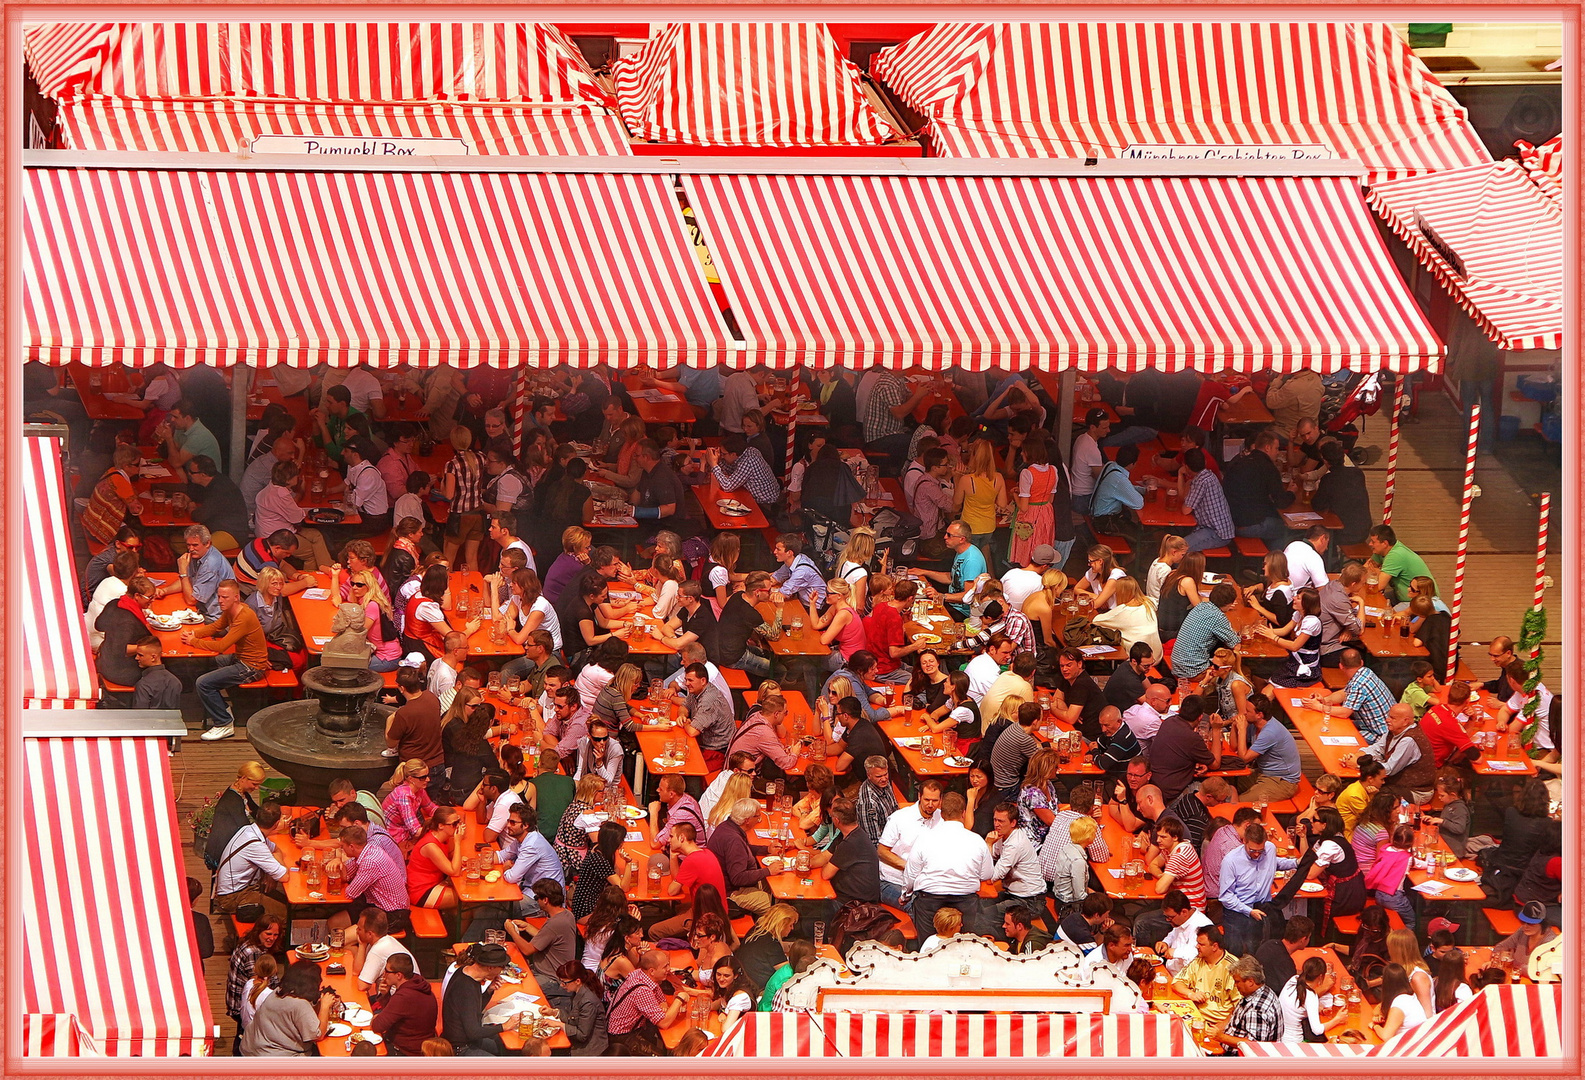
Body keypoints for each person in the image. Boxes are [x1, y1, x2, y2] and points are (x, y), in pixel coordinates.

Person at [182, 579, 267, 741]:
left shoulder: (244, 616)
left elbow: (221, 646)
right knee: (204, 665)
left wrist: (193, 642)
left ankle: (224, 723)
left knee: (203, 682)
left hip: (251, 666)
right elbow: (216, 627)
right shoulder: (230, 611)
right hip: (239, 659)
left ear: (236, 597)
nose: (220, 601)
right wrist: (194, 634)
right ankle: (221, 709)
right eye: (219, 596)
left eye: (225, 597)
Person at [903, 791, 993, 938]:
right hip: (965, 902)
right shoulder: (977, 841)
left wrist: (905, 895)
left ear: (942, 813)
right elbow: (986, 875)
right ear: (963, 813)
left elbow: (911, 874)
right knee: (962, 948)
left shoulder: (925, 838)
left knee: (928, 950)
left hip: (930, 902)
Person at [1218, 822, 1298, 956]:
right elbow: (1226, 896)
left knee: (1264, 951)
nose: (1256, 854)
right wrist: (1249, 911)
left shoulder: (1270, 849)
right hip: (1238, 910)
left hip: (1262, 907)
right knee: (1236, 953)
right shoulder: (1230, 861)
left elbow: (1274, 862)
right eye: (1252, 850)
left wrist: (1295, 863)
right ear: (1244, 841)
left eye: (1260, 851)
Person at [212, 800, 291, 931]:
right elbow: (284, 877)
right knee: (286, 913)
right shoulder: (256, 845)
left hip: (244, 887)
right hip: (232, 897)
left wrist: (272, 872)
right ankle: (279, 947)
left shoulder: (248, 830)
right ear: (277, 824)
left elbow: (276, 850)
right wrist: (278, 870)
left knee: (286, 902)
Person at [239, 959, 338, 1056]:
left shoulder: (278, 991)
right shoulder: (300, 1004)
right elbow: (317, 1035)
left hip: (252, 1048)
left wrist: (319, 1003)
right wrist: (325, 1006)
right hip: (273, 1056)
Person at [441, 942, 521, 1056]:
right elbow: (473, 1032)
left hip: (469, 1040)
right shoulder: (466, 988)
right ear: (490, 967)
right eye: (502, 967)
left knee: (508, 1048)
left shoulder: (467, 973)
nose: (502, 970)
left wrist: (489, 991)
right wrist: (504, 1026)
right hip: (460, 1048)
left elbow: (474, 1010)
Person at [1223, 429, 1294, 549]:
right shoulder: (1268, 468)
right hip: (1249, 525)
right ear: (1267, 448)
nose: (1278, 452)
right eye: (1276, 448)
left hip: (1229, 521)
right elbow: (1281, 502)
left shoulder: (1239, 461)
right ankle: (1275, 564)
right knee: (1286, 528)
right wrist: (1292, 493)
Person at [876, 781, 943, 907]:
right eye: (926, 799)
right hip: (893, 881)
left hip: (927, 882)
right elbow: (881, 851)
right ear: (919, 797)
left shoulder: (942, 818)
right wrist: (910, 868)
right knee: (919, 908)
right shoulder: (899, 818)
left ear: (940, 800)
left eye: (934, 801)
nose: (930, 804)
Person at [606, 949, 688, 1052]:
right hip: (621, 1036)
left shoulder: (641, 974)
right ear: (652, 971)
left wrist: (663, 1006)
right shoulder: (642, 990)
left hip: (635, 1028)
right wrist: (679, 999)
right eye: (665, 967)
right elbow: (664, 1023)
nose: (669, 969)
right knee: (662, 1057)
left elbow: (660, 997)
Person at [1306, 649, 1395, 743]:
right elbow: (1344, 693)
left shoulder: (1358, 684)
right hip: (1378, 727)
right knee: (1337, 724)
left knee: (1336, 734)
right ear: (1361, 662)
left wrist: (1317, 706)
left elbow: (1345, 713)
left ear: (1340, 666)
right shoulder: (1366, 672)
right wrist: (1323, 700)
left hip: (1380, 736)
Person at [706, 798, 775, 915]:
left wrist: (766, 849)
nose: (759, 820)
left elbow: (743, 850)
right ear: (747, 820)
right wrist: (768, 871)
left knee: (773, 886)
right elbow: (738, 878)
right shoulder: (734, 840)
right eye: (757, 816)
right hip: (732, 893)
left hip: (728, 886)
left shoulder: (727, 827)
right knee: (778, 907)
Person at [1229, 693, 1303, 802]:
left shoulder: (1270, 732)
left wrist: (1242, 730)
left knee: (1239, 802)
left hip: (1282, 781)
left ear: (1259, 715)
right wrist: (1235, 726)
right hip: (1262, 773)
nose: (1244, 713)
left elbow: (1243, 758)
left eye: (1247, 711)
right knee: (1226, 784)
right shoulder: (1254, 724)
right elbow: (1234, 746)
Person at [910, 520, 989, 619]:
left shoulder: (972, 560)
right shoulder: (961, 551)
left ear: (962, 539)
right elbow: (952, 578)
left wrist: (940, 596)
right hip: (952, 603)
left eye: (949, 535)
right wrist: (924, 572)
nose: (945, 537)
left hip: (963, 612)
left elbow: (968, 596)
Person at [155, 524, 236, 619]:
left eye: (195, 545)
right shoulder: (197, 555)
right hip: (200, 609)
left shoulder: (210, 565)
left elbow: (191, 600)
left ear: (207, 544)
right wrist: (164, 591)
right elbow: (189, 581)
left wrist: (183, 572)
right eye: (188, 545)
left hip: (215, 618)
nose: (191, 549)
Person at [1210, 956, 1283, 1053]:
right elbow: (1236, 1014)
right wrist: (1221, 1026)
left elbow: (1253, 1045)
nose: (1235, 986)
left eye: (1237, 982)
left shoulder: (1256, 1010)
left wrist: (1221, 1037)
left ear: (1250, 982)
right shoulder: (1261, 991)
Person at [1171, 924, 1239, 1026]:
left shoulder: (1233, 967)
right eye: (1197, 943)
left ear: (1214, 946)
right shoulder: (1198, 961)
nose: (1197, 946)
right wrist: (1191, 994)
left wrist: (1220, 1028)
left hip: (1217, 1024)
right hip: (1194, 1017)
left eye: (1201, 944)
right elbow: (1177, 982)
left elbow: (1240, 1006)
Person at [1169, 584, 1240, 681]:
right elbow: (1235, 644)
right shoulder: (1218, 617)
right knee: (1235, 670)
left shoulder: (1201, 606)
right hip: (1193, 671)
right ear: (1229, 604)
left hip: (1177, 665)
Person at [1279, 955, 1350, 1043]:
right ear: (1320, 977)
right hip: (1295, 1042)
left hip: (1280, 1035)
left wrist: (1319, 1008)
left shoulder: (1293, 980)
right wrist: (1338, 1019)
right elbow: (1317, 1030)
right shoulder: (1310, 995)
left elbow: (1297, 1005)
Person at [1180, 448, 1236, 554]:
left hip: (1217, 533)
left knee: (1179, 549)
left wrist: (1180, 474)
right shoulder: (1209, 475)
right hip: (1217, 529)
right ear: (1204, 462)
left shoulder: (1201, 482)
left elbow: (1185, 510)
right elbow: (1184, 498)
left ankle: (1178, 570)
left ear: (1186, 467)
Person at [1365, 524, 1435, 605]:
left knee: (1384, 612)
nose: (1370, 544)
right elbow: (1364, 571)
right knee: (1370, 600)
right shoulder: (1381, 551)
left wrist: (1376, 572)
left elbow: (1379, 586)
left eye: (1373, 542)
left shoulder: (1395, 555)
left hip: (1418, 601)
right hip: (1399, 595)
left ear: (1385, 543)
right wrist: (1376, 573)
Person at [555, 961, 610, 1057]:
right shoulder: (577, 992)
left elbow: (582, 1035)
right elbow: (573, 1018)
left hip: (590, 1052)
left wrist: (559, 1025)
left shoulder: (588, 1002)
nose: (561, 985)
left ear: (577, 981)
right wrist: (556, 1012)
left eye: (564, 983)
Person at [1371, 963, 1429, 1040]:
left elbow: (1386, 1036)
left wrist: (1375, 1026)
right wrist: (1378, 1016)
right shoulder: (1408, 995)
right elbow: (1378, 1008)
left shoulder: (1399, 1003)